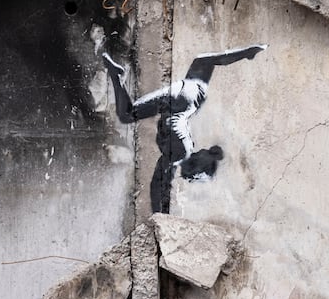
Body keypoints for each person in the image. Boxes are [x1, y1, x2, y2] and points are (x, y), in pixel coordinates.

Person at [103, 44, 267, 213]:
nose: (190, 179)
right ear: (198, 167)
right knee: (129, 116)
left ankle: (118, 77)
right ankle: (118, 78)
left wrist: (246, 52)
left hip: (183, 91)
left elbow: (208, 60)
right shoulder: (180, 154)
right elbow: (158, 185)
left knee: (127, 114)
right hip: (179, 100)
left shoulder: (181, 147)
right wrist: (161, 217)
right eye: (196, 177)